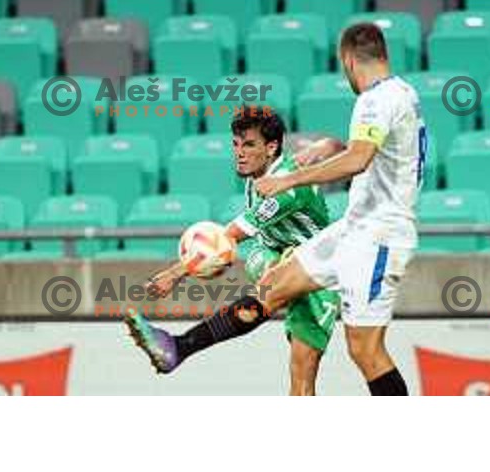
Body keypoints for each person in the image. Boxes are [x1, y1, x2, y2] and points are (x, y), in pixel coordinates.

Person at [127, 22, 427, 396]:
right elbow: (382, 151)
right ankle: (177, 349)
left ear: (348, 59)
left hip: (379, 236)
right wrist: (335, 144)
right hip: (354, 230)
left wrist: (289, 180)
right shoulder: (402, 93)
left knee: (365, 351)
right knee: (272, 287)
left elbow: (361, 159)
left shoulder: (374, 99)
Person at [127, 107, 340, 396]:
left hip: (320, 274)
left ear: (271, 147)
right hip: (274, 254)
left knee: (303, 375)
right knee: (269, 265)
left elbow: (230, 236)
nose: (239, 152)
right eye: (236, 144)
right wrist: (327, 144)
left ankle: (180, 348)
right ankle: (179, 347)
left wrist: (176, 273)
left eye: (249, 144)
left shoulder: (287, 188)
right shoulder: (264, 172)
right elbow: (336, 149)